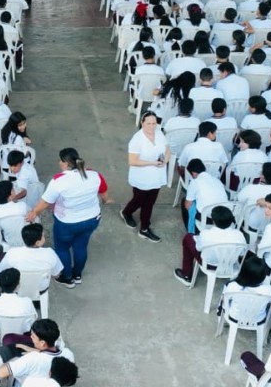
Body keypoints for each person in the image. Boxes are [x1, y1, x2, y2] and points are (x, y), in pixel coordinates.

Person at [25, 148, 110, 288]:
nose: (59, 163)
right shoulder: (95, 175)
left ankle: (67, 277)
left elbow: (46, 202)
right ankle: (77, 275)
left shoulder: (59, 180)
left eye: (60, 160)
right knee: (81, 246)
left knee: (62, 248)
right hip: (92, 219)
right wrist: (107, 201)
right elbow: (104, 193)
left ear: (65, 163)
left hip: (67, 223)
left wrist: (34, 212)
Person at [122, 111, 169, 241]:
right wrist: (152, 163)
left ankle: (144, 228)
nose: (152, 126)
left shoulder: (159, 134)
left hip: (156, 176)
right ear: (142, 123)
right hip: (142, 177)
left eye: (154, 123)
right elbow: (132, 161)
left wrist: (165, 160)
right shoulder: (137, 140)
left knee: (149, 202)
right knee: (140, 200)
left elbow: (167, 150)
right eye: (148, 123)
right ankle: (128, 213)